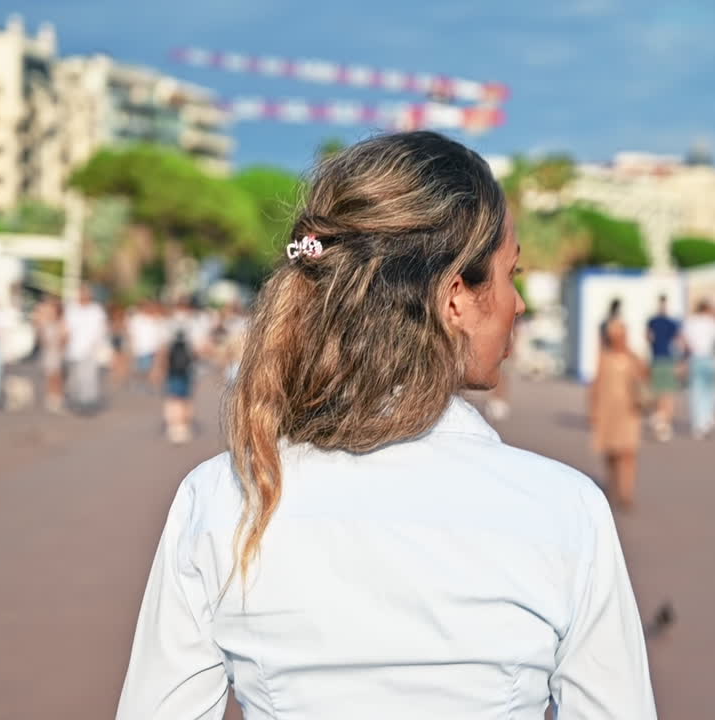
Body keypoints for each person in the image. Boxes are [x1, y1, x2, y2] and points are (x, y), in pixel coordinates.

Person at [117, 131, 655, 719]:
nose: (518, 303)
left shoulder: (224, 496)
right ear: (456, 296)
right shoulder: (564, 509)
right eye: (509, 274)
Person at [590, 317, 647, 510]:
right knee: (611, 453)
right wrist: (594, 409)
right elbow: (596, 384)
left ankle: (626, 493)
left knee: (628, 452)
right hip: (609, 410)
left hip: (629, 410)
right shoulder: (604, 357)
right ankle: (612, 486)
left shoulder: (632, 357)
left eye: (621, 334)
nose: (619, 338)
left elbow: (646, 374)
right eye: (615, 335)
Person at [680, 299, 715, 438]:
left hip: (696, 358)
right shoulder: (713, 323)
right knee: (711, 391)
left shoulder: (690, 322)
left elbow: (684, 341)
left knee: (697, 392)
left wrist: (685, 357)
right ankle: (708, 418)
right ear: (708, 309)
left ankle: (698, 424)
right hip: (711, 359)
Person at [65, 285, 108, 413]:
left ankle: (88, 404)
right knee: (75, 378)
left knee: (89, 378)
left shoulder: (96, 310)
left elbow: (101, 330)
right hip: (73, 350)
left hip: (91, 350)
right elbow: (66, 328)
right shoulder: (72, 309)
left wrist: (98, 346)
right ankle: (77, 402)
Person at [645, 294, 681, 441]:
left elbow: (648, 337)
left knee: (658, 390)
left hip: (656, 359)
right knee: (668, 393)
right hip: (667, 359)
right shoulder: (671, 322)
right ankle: (664, 421)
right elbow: (678, 341)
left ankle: (659, 417)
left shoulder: (652, 321)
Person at [155, 327, 196, 444]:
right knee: (185, 400)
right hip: (185, 374)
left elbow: (164, 359)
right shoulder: (188, 345)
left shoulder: (169, 346)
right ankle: (184, 425)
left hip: (172, 375)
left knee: (173, 399)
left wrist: (160, 371)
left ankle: (173, 426)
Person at [33, 295, 67, 413]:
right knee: (50, 375)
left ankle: (57, 397)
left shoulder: (61, 322)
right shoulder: (45, 323)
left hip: (58, 352)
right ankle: (51, 397)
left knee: (57, 376)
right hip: (49, 352)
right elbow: (40, 335)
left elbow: (65, 338)